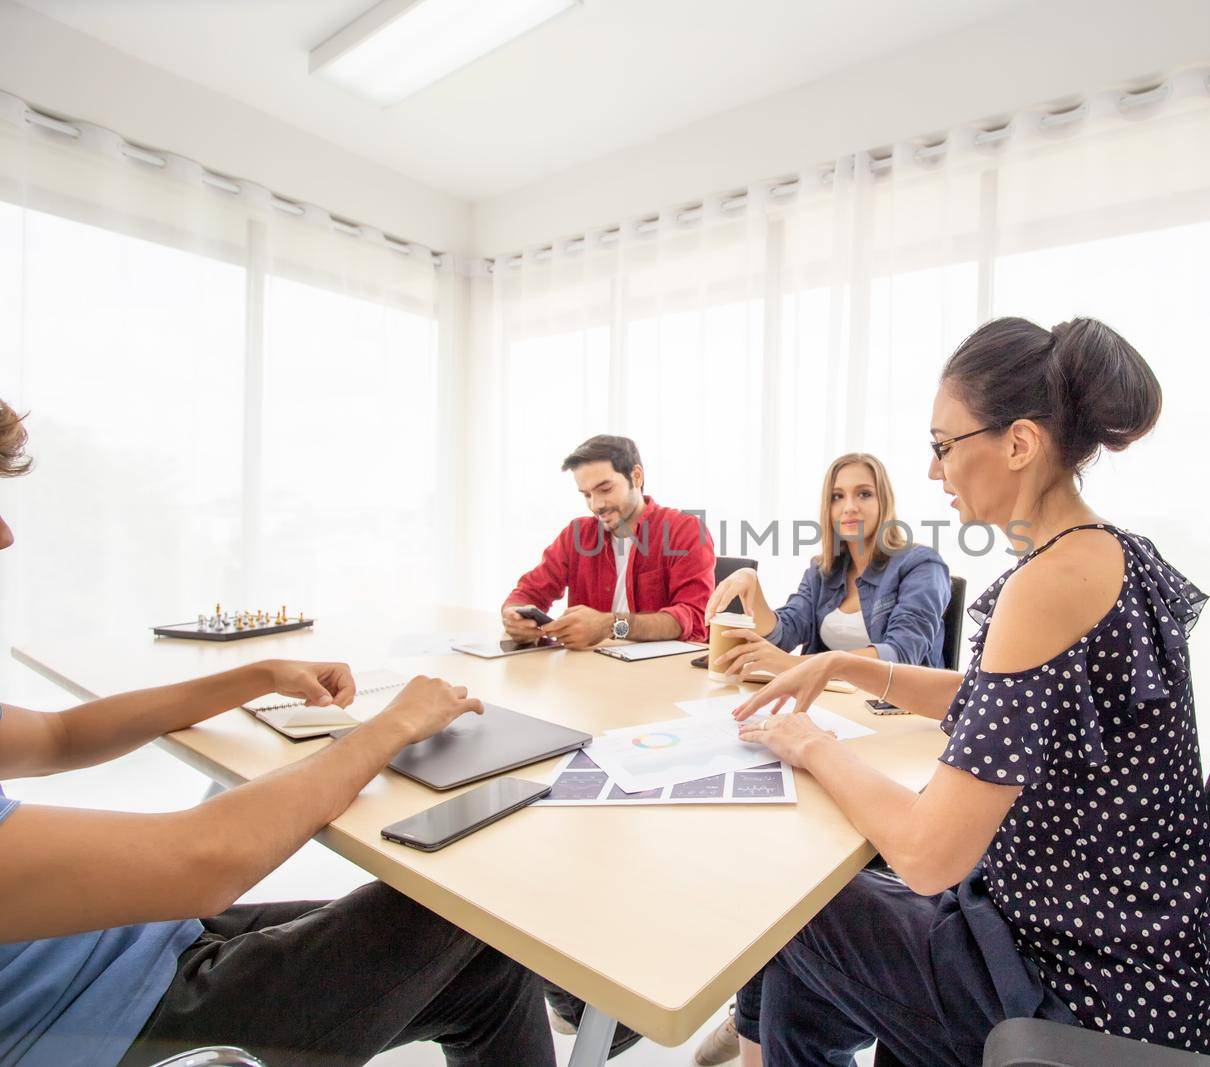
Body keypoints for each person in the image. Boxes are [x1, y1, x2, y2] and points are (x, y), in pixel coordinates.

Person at [694, 317, 1210, 1066]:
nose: (935, 472)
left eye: (944, 446)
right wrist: (842, 667)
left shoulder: (1048, 583)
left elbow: (925, 852)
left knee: (796, 908)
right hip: (1134, 956)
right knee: (815, 940)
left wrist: (810, 741)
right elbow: (992, 702)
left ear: (1018, 443)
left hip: (1081, 991)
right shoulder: (1109, 553)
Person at [0, 399, 558, 1067]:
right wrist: (391, 726)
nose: (7, 534)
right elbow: (200, 860)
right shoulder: (571, 540)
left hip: (120, 944)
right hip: (98, 1022)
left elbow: (60, 735)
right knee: (482, 900)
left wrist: (256, 673)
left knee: (493, 957)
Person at [703, 453, 950, 681]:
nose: (849, 507)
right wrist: (752, 585)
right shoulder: (821, 572)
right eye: (837, 497)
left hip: (892, 709)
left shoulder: (921, 565)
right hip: (827, 702)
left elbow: (902, 655)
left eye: (864, 494)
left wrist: (792, 665)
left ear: (883, 501)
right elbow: (784, 634)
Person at [502, 434, 714, 650]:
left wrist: (612, 626)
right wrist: (514, 616)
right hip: (591, 670)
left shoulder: (685, 531)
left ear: (637, 476)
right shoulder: (577, 534)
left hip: (660, 673)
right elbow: (527, 593)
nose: (596, 505)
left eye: (605, 489)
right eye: (586, 495)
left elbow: (694, 618)